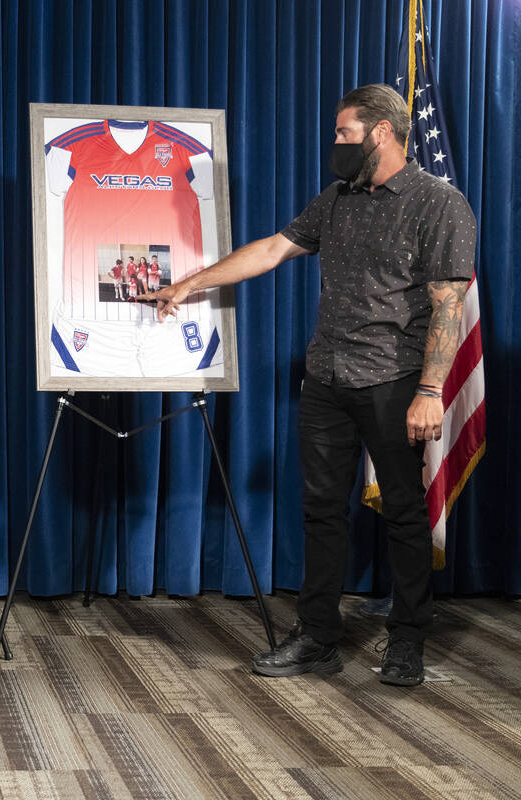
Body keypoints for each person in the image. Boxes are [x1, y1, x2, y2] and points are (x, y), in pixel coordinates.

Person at [151, 84, 476, 687]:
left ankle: (407, 641)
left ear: (381, 132)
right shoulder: (338, 198)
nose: (336, 143)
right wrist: (189, 284)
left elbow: (448, 305)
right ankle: (318, 638)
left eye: (344, 133)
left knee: (404, 515)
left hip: (395, 384)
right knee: (322, 511)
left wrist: (430, 392)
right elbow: (275, 248)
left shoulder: (438, 204)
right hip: (326, 379)